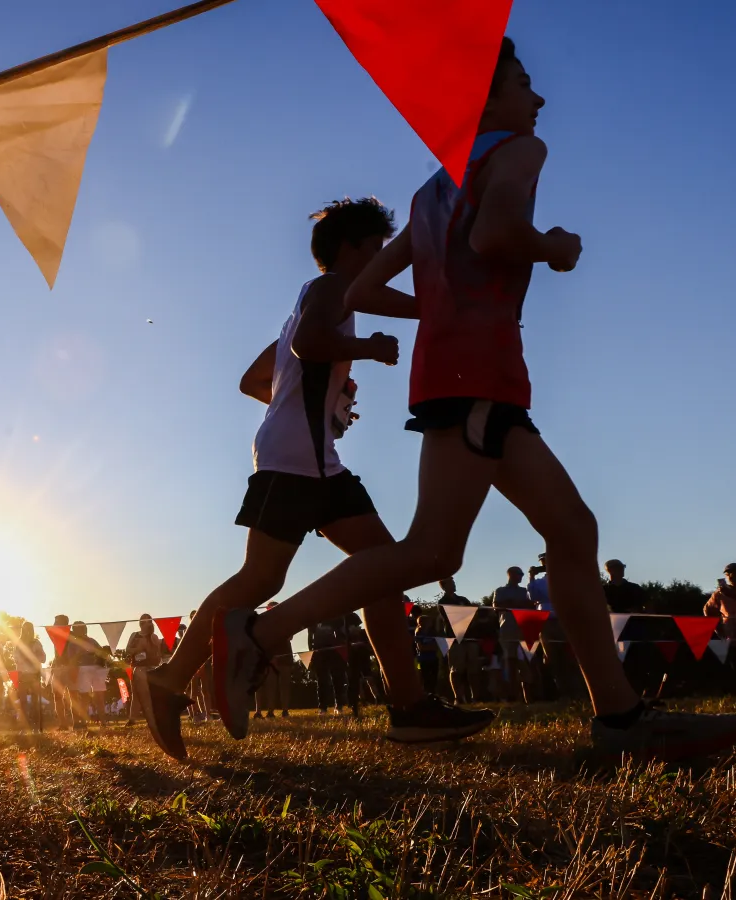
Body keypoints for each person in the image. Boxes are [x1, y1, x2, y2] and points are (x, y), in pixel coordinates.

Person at [215, 39, 736, 761]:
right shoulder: (521, 153)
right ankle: (257, 635)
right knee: (432, 549)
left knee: (570, 528)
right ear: (488, 102)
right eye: (525, 84)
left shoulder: (431, 188)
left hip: (461, 375)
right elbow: (499, 232)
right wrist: (554, 246)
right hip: (479, 374)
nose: (539, 99)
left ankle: (621, 720)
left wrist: (437, 303)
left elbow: (364, 291)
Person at [135, 197, 493, 760]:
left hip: (316, 459)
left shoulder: (315, 301)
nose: (381, 263)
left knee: (382, 568)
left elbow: (257, 378)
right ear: (351, 251)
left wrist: (323, 405)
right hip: (293, 462)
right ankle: (168, 680)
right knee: (260, 581)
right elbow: (309, 346)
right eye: (376, 251)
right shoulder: (327, 291)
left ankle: (410, 705)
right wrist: (367, 349)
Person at [492, 566, 539, 702]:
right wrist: (517, 604)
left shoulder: (525, 591)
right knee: (510, 662)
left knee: (527, 661)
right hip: (508, 629)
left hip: (525, 628)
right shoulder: (500, 591)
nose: (521, 576)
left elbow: (531, 605)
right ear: (511, 575)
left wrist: (516, 604)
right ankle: (513, 695)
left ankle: (529, 696)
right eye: (519, 574)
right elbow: (497, 606)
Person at [436, 578, 485, 705]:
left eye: (454, 582)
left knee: (474, 668)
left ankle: (476, 697)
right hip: (455, 639)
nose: (454, 584)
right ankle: (458, 697)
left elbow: (473, 614)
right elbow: (449, 618)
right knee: (457, 669)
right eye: (451, 583)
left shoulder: (463, 599)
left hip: (470, 637)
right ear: (444, 586)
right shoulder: (443, 602)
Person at [123, 615, 164, 726]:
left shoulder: (154, 636)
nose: (149, 624)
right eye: (146, 622)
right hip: (136, 666)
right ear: (141, 623)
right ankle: (132, 719)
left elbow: (157, 655)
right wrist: (139, 649)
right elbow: (128, 650)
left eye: (150, 621)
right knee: (136, 694)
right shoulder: (134, 635)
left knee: (148, 694)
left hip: (150, 667)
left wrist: (150, 646)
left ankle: (151, 718)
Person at [12, 620, 47, 731]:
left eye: (29, 628)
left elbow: (43, 658)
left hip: (34, 675)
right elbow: (16, 659)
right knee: (23, 702)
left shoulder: (36, 643)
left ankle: (36, 727)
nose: (27, 631)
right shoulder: (18, 643)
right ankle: (24, 727)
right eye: (25, 628)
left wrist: (34, 657)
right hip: (22, 674)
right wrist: (27, 658)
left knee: (35, 702)